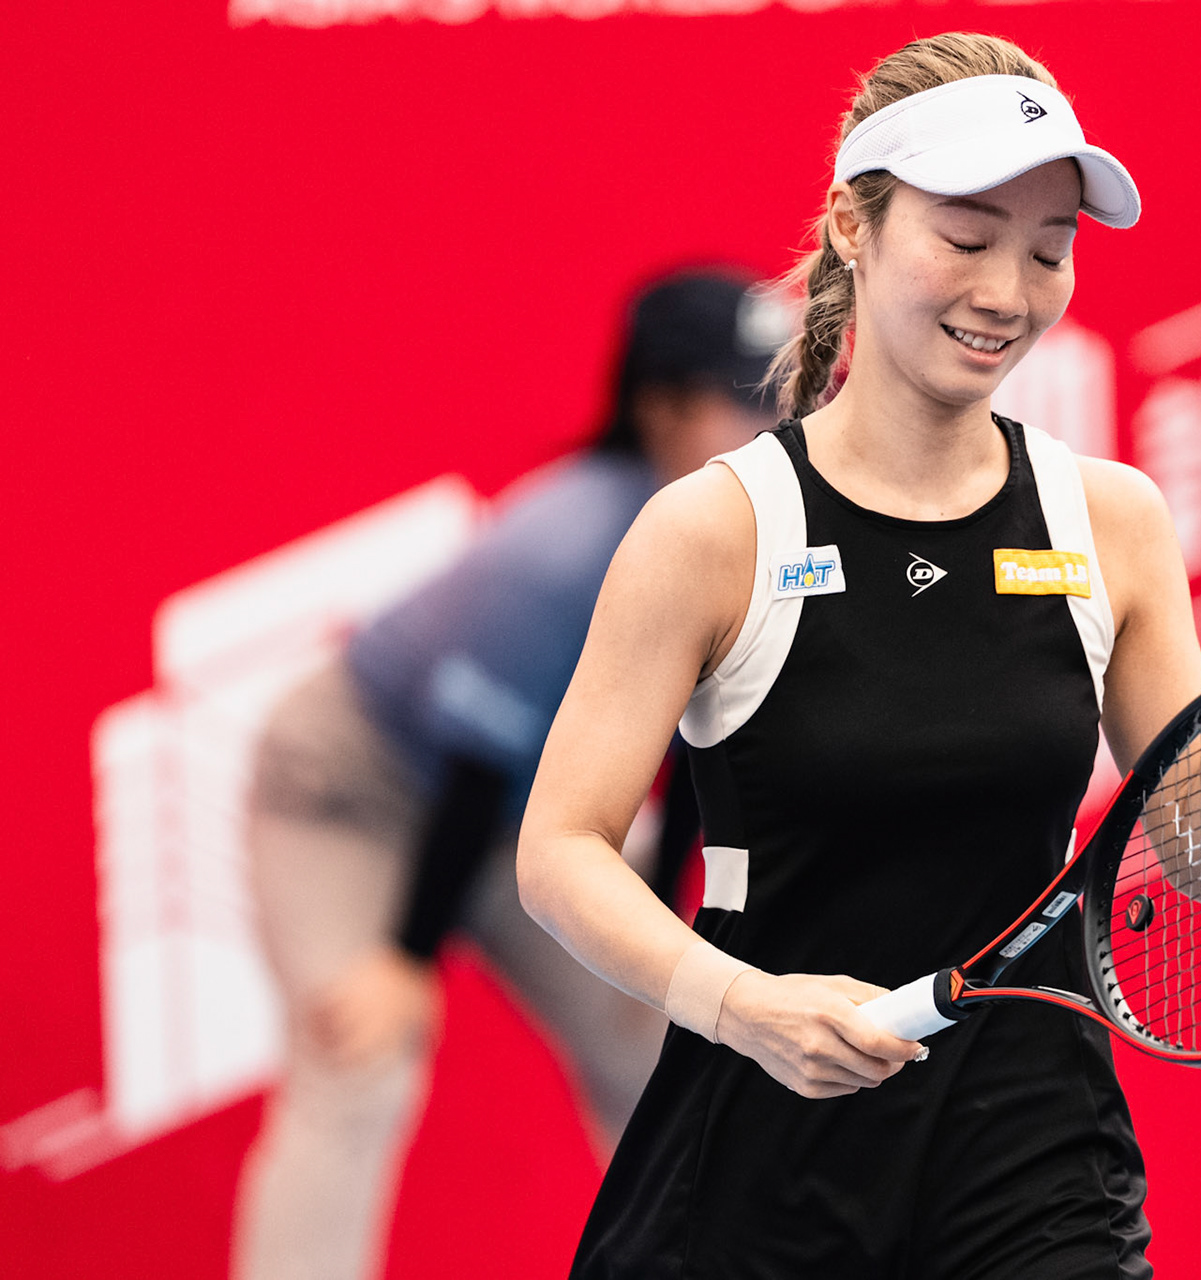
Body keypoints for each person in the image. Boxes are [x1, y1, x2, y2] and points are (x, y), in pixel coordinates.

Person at [516, 31, 1201, 1280]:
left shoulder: (1110, 519)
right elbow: (559, 852)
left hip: (1034, 1149)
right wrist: (742, 1005)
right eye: (967, 238)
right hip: (762, 1142)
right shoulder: (718, 528)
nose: (1009, 292)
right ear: (851, 229)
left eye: (1048, 249)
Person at [232, 269, 786, 1280]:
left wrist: (654, 938)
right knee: (361, 1059)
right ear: (656, 407)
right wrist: (402, 959)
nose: (768, 424)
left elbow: (703, 749)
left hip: (518, 806)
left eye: (781, 393)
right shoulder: (564, 546)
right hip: (350, 791)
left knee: (665, 1041)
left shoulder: (757, 530)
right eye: (736, 400)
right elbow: (476, 759)